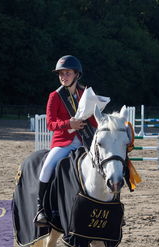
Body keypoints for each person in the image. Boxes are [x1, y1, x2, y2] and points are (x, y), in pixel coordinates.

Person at [34, 55, 98, 226]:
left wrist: (96, 114)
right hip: (63, 142)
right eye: (61, 74)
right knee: (47, 167)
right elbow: (50, 124)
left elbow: (93, 121)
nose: (63, 77)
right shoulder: (55, 96)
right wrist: (69, 123)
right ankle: (41, 209)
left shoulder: (85, 94)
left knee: (106, 163)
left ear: (77, 74)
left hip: (85, 141)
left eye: (67, 73)